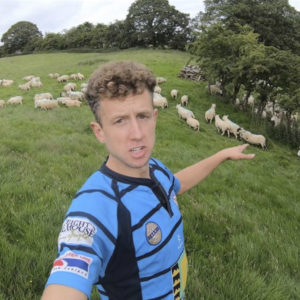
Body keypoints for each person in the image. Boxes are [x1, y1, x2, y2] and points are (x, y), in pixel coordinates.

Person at [41, 61, 255, 300]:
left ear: (154, 118)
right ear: (99, 131)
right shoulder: (96, 208)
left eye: (142, 116)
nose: (137, 133)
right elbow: (65, 285)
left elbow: (176, 184)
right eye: (120, 120)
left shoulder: (155, 168)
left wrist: (221, 155)